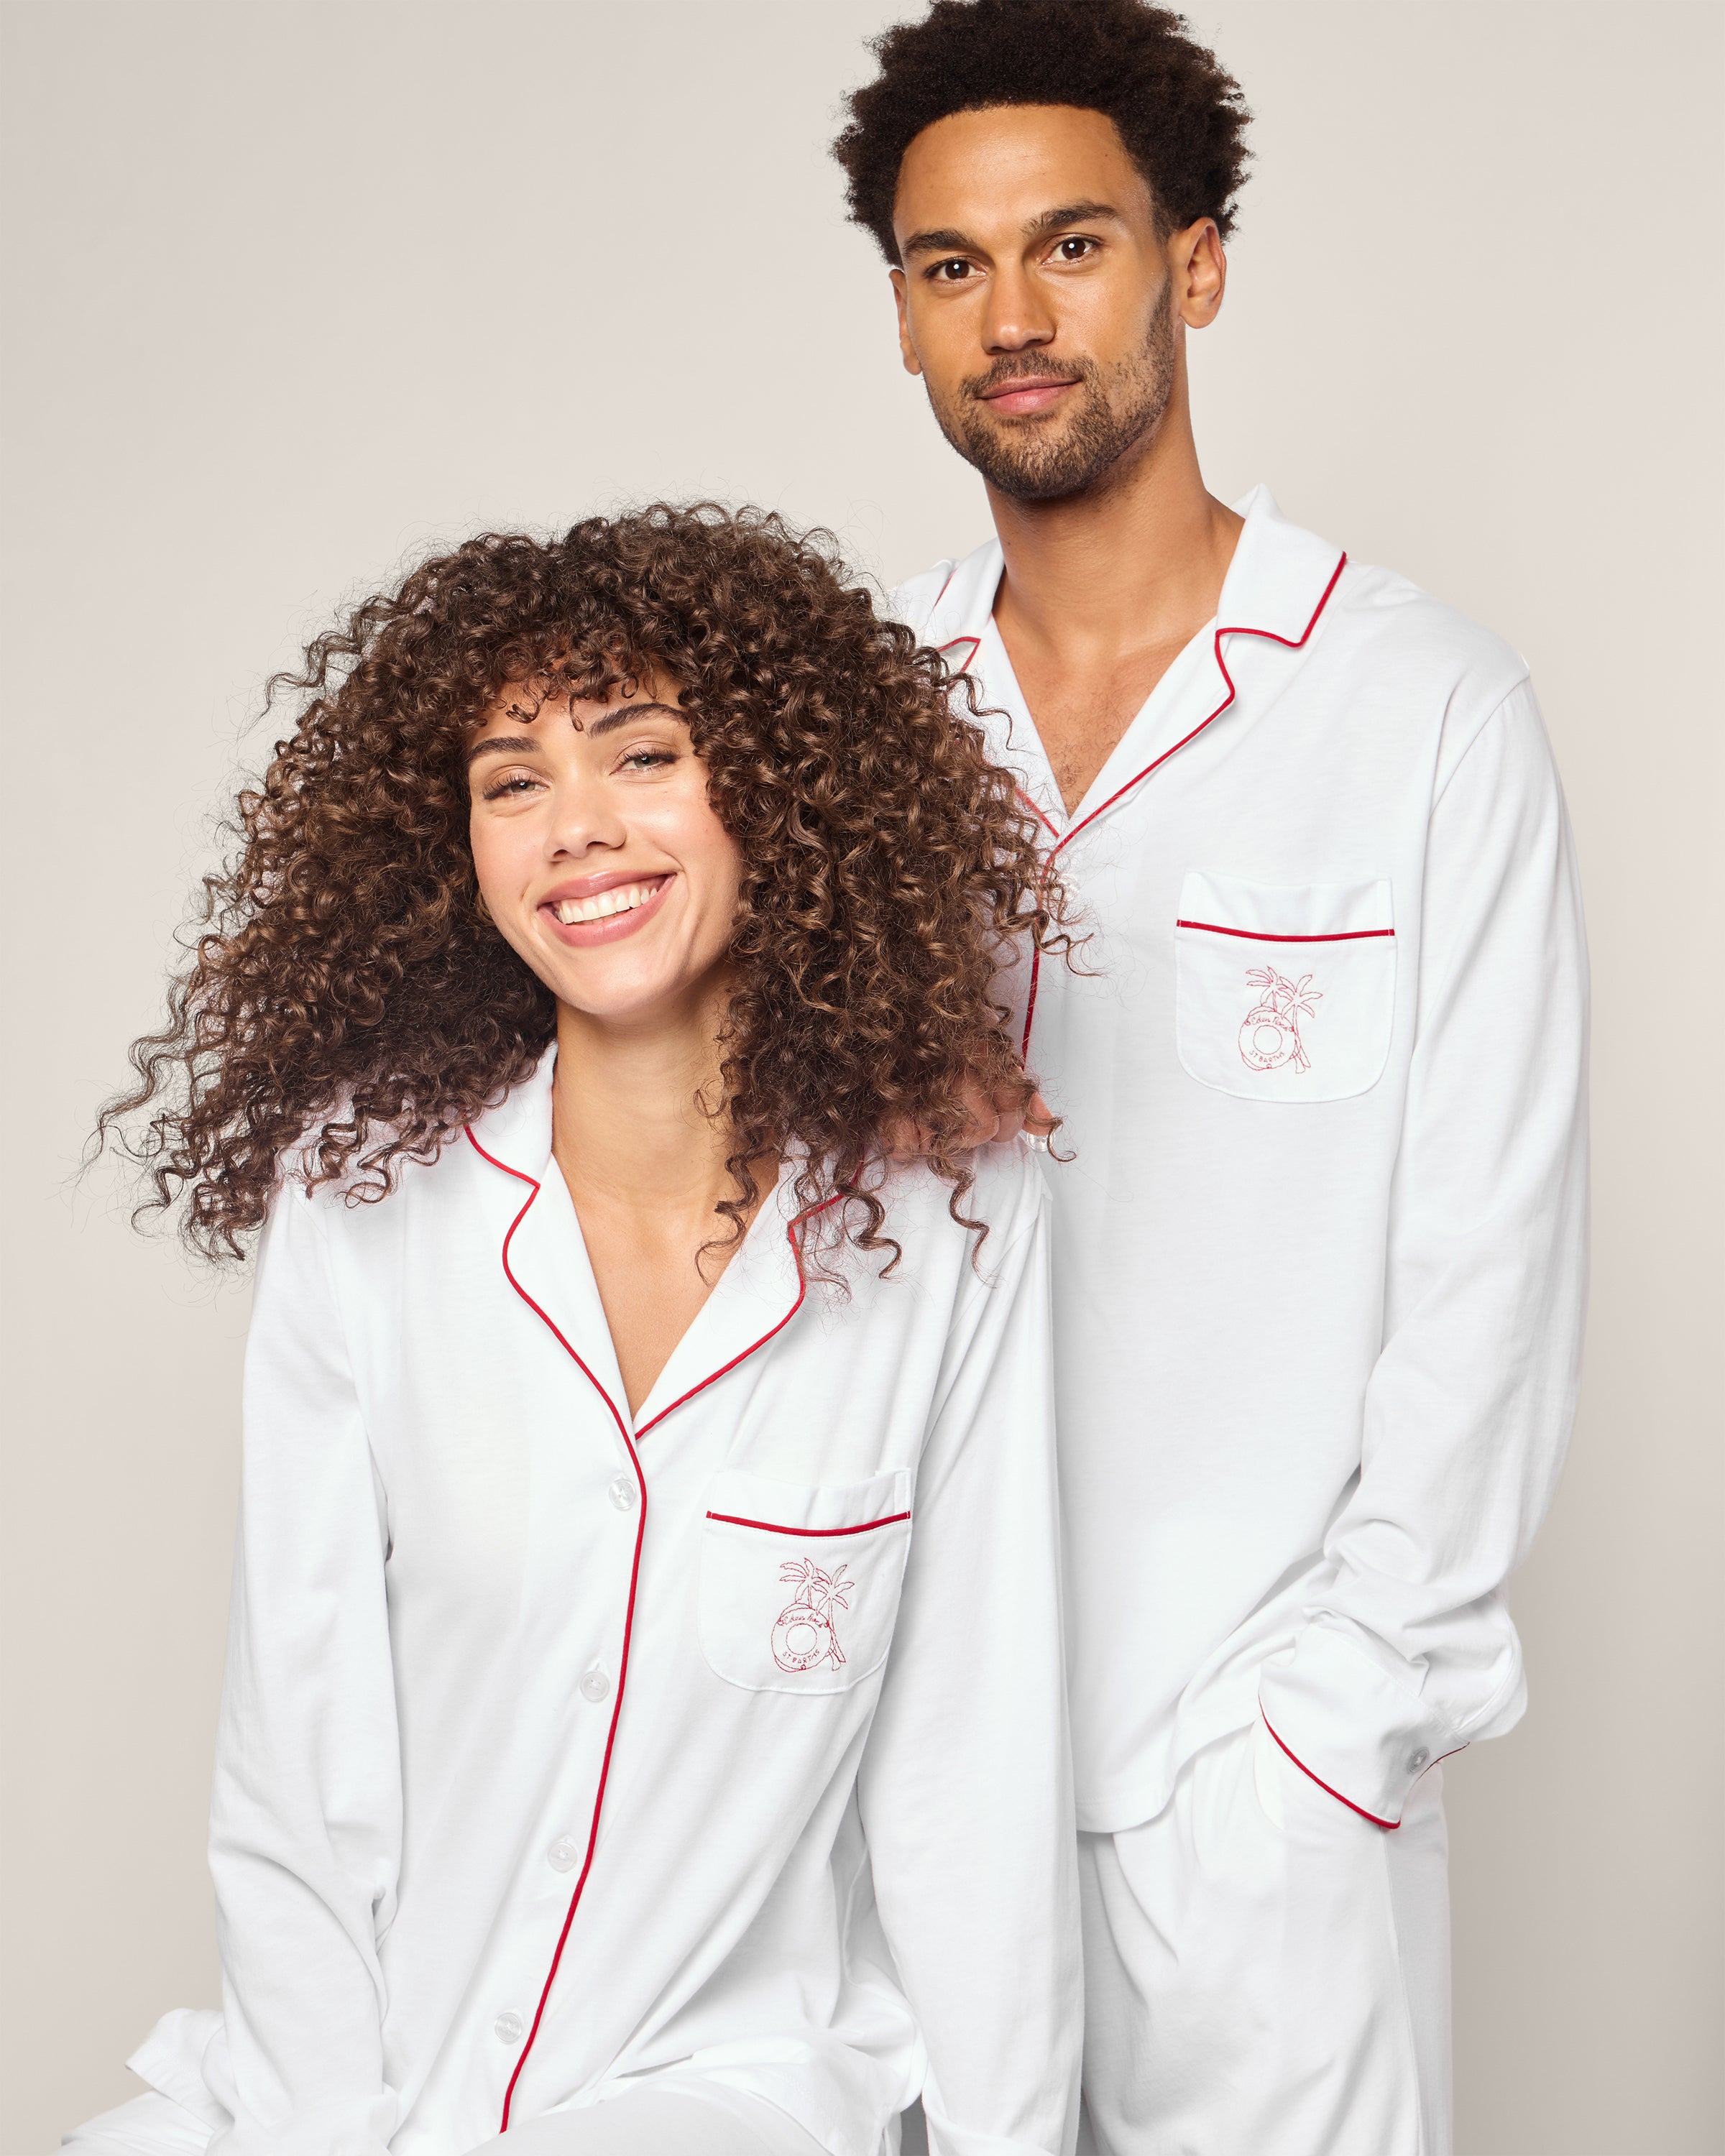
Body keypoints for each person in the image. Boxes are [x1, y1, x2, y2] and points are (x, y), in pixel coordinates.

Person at [71, 507, 1082, 2156]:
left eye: (643, 756)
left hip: (722, 2103)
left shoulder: (945, 1228)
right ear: (454, 851)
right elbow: (298, 1778)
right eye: (512, 783)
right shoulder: (364, 1206)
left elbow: (973, 1769)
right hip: (360, 2093)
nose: (578, 830)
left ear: (779, 792)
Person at [833, 6, 1590, 2153]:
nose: (1013, 316)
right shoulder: (848, 725)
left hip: (1254, 1788)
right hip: (885, 1790)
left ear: (1198, 263)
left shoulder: (1423, 713)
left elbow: (1490, 1271)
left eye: (1070, 245)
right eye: (952, 265)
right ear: (903, 317)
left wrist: (1334, 1742)